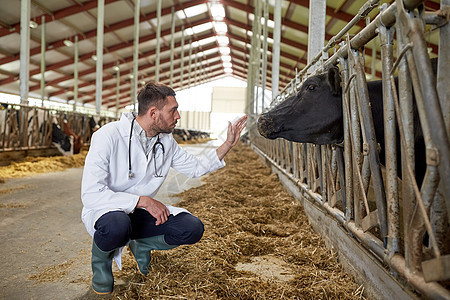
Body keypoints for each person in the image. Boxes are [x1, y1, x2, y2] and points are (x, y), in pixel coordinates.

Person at [81, 82, 247, 295]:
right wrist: (144, 201)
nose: (178, 116)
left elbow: (195, 167)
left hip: (140, 214)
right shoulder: (108, 136)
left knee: (191, 228)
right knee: (117, 224)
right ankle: (101, 266)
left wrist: (227, 145)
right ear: (153, 113)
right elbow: (91, 194)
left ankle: (141, 244)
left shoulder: (166, 141)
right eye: (173, 110)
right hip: (107, 211)